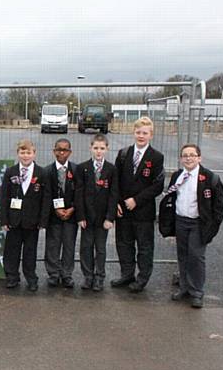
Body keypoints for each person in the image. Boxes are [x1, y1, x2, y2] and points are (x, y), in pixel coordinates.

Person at [169, 144, 223, 308]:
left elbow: (219, 207)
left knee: (196, 257)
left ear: (199, 158)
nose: (188, 158)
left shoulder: (210, 178)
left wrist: (212, 227)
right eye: (185, 155)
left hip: (198, 223)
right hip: (181, 221)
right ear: (181, 159)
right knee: (183, 255)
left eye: (192, 155)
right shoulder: (177, 176)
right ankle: (184, 287)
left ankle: (197, 292)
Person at [112, 117, 164, 293]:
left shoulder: (156, 157)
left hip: (143, 211)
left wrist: (137, 200)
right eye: (138, 132)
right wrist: (117, 202)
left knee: (144, 247)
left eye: (145, 133)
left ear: (151, 135)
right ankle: (127, 274)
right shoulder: (123, 154)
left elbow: (157, 186)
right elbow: (115, 181)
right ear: (133, 133)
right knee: (124, 244)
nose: (141, 136)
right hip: (124, 211)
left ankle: (142, 279)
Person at [0, 139, 48, 291]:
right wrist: (4, 220)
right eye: (22, 152)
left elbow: (45, 199)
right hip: (14, 220)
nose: (25, 156)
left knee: (30, 251)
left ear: (34, 154)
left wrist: (43, 220)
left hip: (32, 221)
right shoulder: (11, 172)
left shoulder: (42, 173)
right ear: (18, 153)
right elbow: (5, 197)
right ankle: (12, 276)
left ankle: (31, 278)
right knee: (12, 250)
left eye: (29, 153)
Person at [74, 134, 119, 292]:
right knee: (86, 247)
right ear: (90, 148)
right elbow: (78, 194)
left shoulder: (111, 169)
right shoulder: (82, 168)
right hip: (87, 217)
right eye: (96, 148)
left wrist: (110, 218)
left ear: (107, 149)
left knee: (100, 248)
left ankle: (99, 277)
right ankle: (88, 276)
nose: (98, 152)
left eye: (102, 148)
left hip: (103, 218)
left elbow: (114, 195)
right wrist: (80, 216)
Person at [43, 138, 78, 288]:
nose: (61, 152)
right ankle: (53, 273)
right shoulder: (47, 171)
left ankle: (66, 274)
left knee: (69, 245)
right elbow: (46, 194)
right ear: (54, 151)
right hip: (53, 216)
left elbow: (80, 192)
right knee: (53, 244)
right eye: (58, 149)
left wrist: (73, 208)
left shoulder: (76, 170)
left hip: (71, 215)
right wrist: (55, 209)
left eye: (65, 150)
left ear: (70, 152)